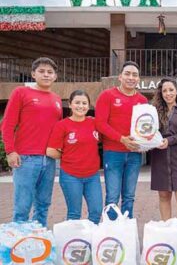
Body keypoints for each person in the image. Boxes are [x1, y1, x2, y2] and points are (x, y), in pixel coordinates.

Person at [1, 57, 62, 226]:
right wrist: (10, 151)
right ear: (33, 74)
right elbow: (7, 124)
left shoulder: (56, 99)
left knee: (43, 205)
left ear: (55, 76)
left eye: (50, 72)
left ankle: (39, 242)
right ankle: (18, 244)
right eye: (41, 71)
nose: (46, 75)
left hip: (49, 159)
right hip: (25, 158)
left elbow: (59, 131)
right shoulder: (21, 93)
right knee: (22, 206)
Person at [95, 61, 147, 218]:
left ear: (139, 79)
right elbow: (100, 124)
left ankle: (126, 231)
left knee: (129, 197)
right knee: (112, 197)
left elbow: (145, 126)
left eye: (135, 75)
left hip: (134, 154)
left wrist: (146, 141)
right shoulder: (107, 96)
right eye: (127, 74)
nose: (131, 77)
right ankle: (111, 234)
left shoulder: (142, 100)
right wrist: (121, 139)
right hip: (113, 152)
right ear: (120, 77)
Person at [46, 90, 103, 224]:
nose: (81, 106)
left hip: (92, 176)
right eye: (77, 102)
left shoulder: (94, 123)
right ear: (70, 104)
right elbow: (50, 151)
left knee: (96, 211)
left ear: (88, 106)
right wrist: (68, 156)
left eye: (84, 103)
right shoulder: (62, 125)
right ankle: (73, 243)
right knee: (74, 213)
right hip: (71, 176)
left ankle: (88, 240)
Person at [150, 77, 177, 222]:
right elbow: (148, 130)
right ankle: (167, 230)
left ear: (176, 92)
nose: (168, 93)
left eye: (171, 90)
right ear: (161, 94)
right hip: (159, 155)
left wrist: (169, 140)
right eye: (164, 91)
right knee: (164, 195)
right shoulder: (154, 112)